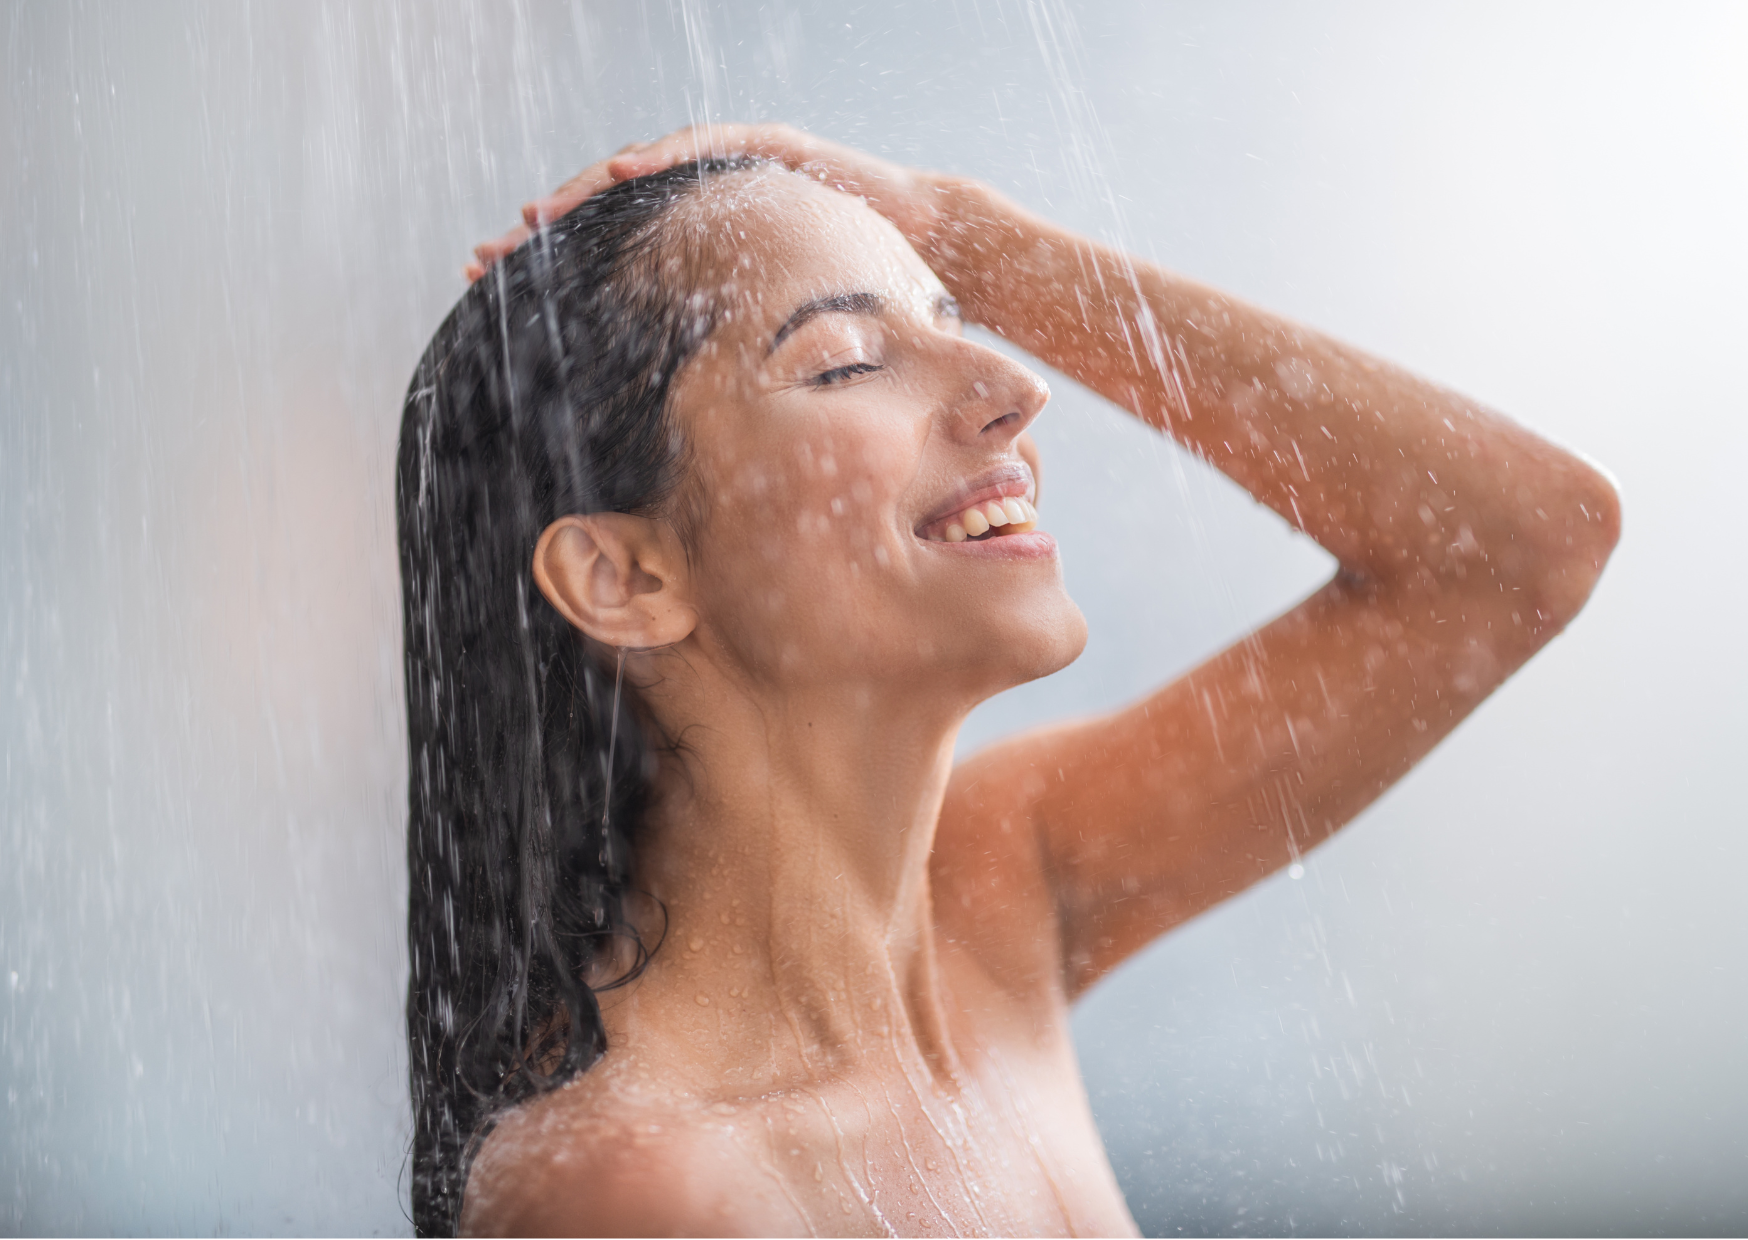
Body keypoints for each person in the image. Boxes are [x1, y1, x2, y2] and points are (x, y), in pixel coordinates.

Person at [398, 125, 1619, 1237]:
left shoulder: (994, 895)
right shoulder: (642, 1194)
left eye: (952, 318)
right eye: (843, 362)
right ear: (621, 575)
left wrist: (968, 236)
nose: (1015, 387)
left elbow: (1518, 549)